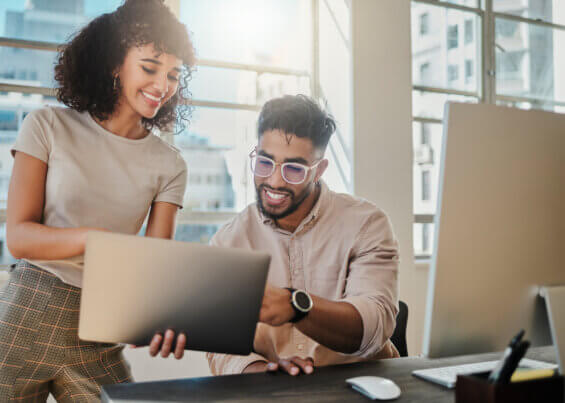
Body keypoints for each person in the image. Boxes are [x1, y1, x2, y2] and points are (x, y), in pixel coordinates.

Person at [0, 0, 194, 400]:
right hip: (25, 313)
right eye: (150, 67)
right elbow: (18, 237)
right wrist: (95, 240)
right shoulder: (47, 125)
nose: (163, 86)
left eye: (174, 74)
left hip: (100, 327)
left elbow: (156, 264)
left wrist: (159, 315)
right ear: (114, 63)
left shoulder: (170, 164)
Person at [151, 94, 400, 376]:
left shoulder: (367, 224)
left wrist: (296, 307)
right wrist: (259, 371)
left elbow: (374, 328)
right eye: (265, 162)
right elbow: (221, 348)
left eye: (294, 169)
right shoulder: (229, 242)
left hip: (364, 385)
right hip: (274, 391)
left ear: (318, 170)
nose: (275, 181)